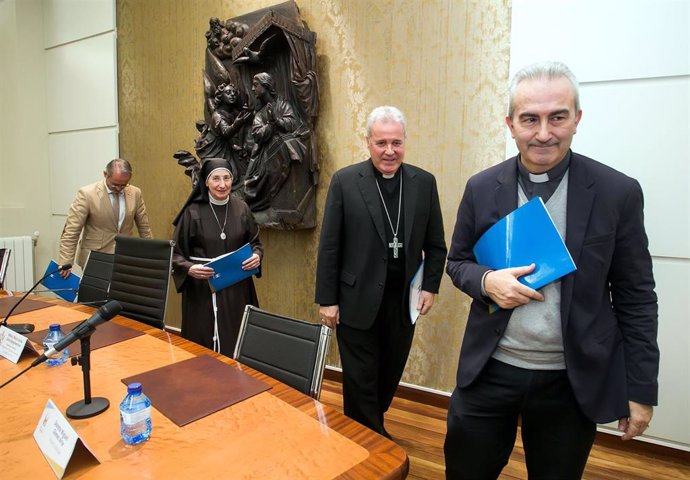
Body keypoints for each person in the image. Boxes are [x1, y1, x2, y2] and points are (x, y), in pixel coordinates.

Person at [444, 61, 659, 479]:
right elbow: (458, 263)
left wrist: (640, 390)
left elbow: (637, 298)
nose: (543, 132)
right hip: (490, 370)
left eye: (557, 117)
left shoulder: (618, 193)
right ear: (511, 124)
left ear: (577, 119)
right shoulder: (482, 187)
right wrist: (487, 282)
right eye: (530, 119)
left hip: (571, 380)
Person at [315, 106, 447, 438]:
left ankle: (369, 428)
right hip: (355, 298)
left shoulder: (423, 183)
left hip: (403, 302)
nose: (389, 151)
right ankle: (370, 444)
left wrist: (430, 287)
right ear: (368, 142)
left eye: (397, 143)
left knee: (388, 374)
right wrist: (327, 300)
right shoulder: (345, 181)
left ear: (405, 143)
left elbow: (436, 245)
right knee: (359, 378)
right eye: (382, 142)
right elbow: (330, 246)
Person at [172, 157, 263, 357]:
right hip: (202, 288)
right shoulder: (192, 212)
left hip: (237, 289)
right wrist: (189, 268)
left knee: (236, 338)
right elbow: (175, 253)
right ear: (206, 181)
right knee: (203, 344)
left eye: (227, 178)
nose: (222, 185)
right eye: (216, 179)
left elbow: (256, 243)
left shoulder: (242, 208)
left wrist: (256, 255)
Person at [58, 158, 152, 277]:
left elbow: (144, 227)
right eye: (115, 184)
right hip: (95, 257)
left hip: (124, 257)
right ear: (105, 174)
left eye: (123, 185)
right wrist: (66, 261)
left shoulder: (135, 193)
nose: (118, 188)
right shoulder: (87, 194)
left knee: (122, 295)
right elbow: (72, 230)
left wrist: (151, 256)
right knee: (97, 295)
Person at [243, 72, 309, 211]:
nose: (253, 89)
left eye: (256, 85)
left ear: (266, 86)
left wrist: (277, 121)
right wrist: (271, 125)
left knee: (286, 146)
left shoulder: (283, 104)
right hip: (264, 151)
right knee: (267, 166)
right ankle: (264, 198)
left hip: (282, 145)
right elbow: (257, 134)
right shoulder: (260, 113)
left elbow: (293, 123)